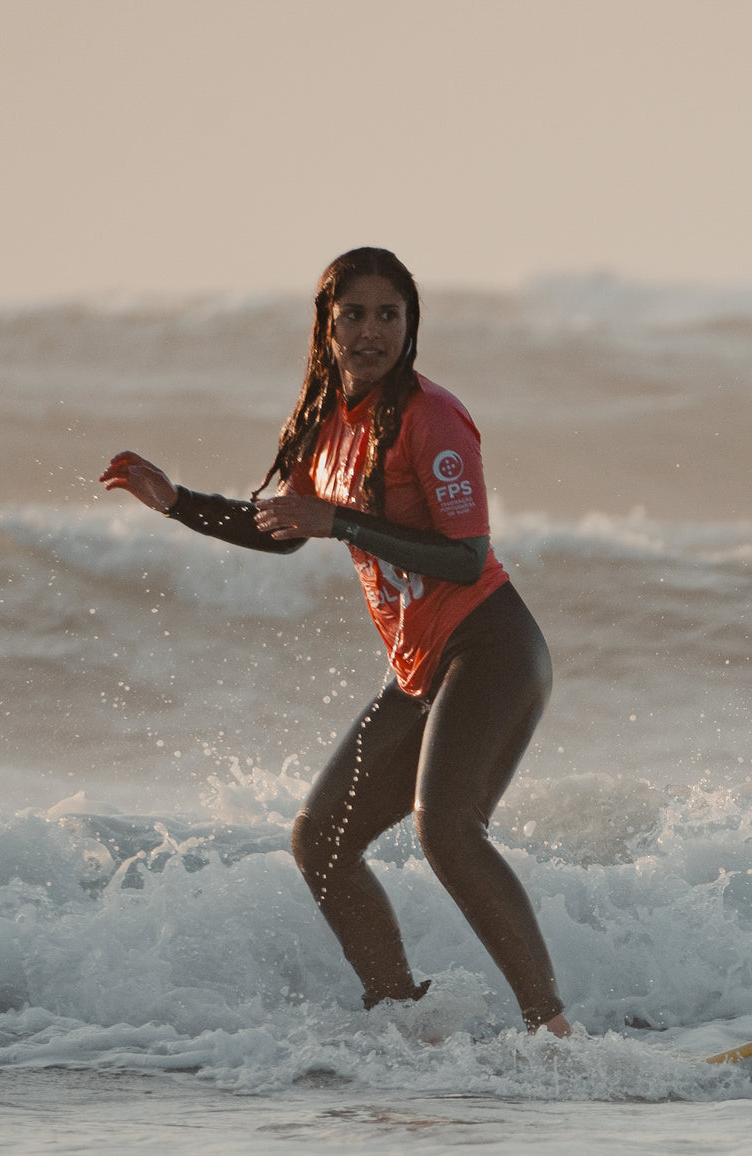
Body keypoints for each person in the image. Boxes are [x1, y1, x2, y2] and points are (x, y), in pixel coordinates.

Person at [99, 247, 571, 1037]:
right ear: (326, 325)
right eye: (354, 314)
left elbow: (466, 554)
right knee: (321, 838)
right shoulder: (328, 422)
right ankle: (399, 1019)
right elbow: (284, 530)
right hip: (420, 667)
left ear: (409, 325)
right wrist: (177, 502)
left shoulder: (433, 417)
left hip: (491, 649)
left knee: (446, 828)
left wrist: (340, 522)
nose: (371, 331)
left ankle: (552, 1030)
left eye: (390, 314)